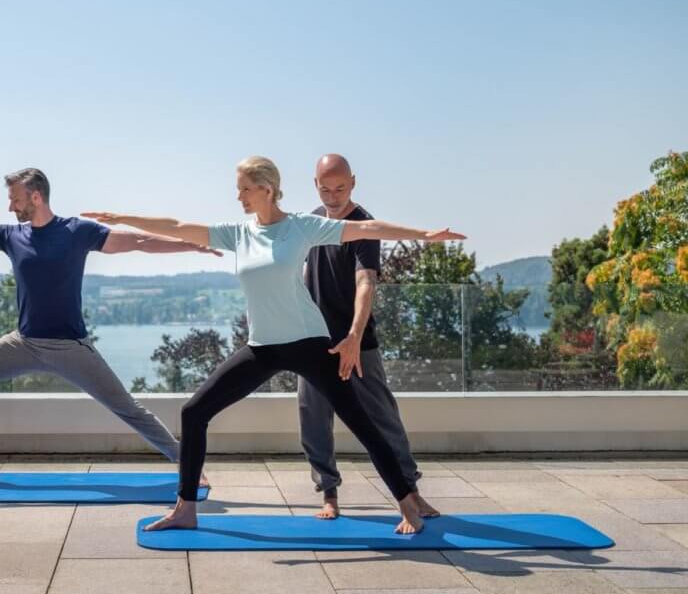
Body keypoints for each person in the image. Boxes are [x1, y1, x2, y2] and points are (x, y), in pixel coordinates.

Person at [83, 156, 465, 534]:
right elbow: (178, 226)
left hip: (309, 344)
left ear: (267, 189)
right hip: (262, 346)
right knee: (194, 411)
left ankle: (407, 505)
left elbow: (366, 227)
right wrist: (120, 217)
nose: (240, 197)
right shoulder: (239, 232)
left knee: (362, 424)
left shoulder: (301, 227)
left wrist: (425, 235)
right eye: (239, 190)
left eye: (245, 190)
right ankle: (186, 508)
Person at [0, 167, 220, 483]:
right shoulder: (11, 236)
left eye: (14, 199)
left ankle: (188, 465)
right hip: (24, 342)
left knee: (128, 409)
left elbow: (139, 241)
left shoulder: (77, 232)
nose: (10, 206)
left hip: (70, 348)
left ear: (36, 196)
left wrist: (191, 245)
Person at [300, 154, 438, 520]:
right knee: (313, 419)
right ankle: (328, 493)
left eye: (340, 188)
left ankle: (409, 491)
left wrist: (354, 336)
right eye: (326, 188)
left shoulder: (363, 224)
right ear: (315, 184)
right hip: (313, 341)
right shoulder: (311, 221)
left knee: (382, 417)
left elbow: (366, 282)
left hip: (357, 342)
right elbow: (302, 274)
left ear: (354, 183)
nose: (333, 195)